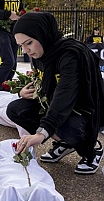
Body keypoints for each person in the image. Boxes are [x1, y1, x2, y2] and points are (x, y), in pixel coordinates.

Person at [6, 12, 104, 175]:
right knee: (16, 109)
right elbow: (44, 83)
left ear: (42, 34)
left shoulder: (70, 55)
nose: (26, 50)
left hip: (83, 111)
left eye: (28, 43)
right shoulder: (40, 53)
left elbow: (64, 94)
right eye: (21, 45)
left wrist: (42, 133)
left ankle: (92, 148)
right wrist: (24, 92)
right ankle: (66, 144)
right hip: (60, 108)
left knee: (65, 127)